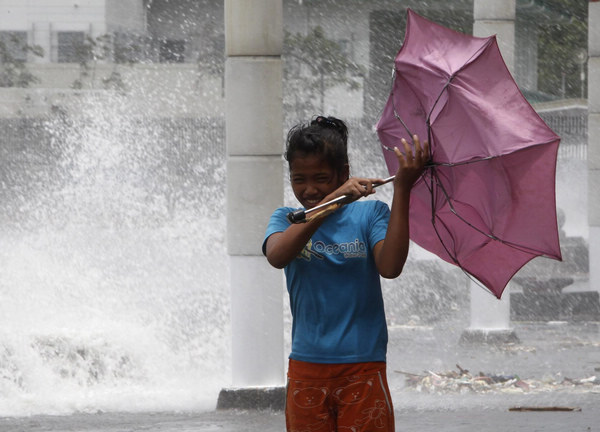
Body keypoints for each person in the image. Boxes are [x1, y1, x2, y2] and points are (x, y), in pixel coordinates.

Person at [262, 115, 429, 432]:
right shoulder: (287, 218)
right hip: (306, 368)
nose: (309, 189)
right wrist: (328, 204)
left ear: (344, 174)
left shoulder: (371, 213)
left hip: (363, 366)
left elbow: (390, 268)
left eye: (321, 178)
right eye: (299, 179)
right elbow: (277, 256)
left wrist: (403, 188)